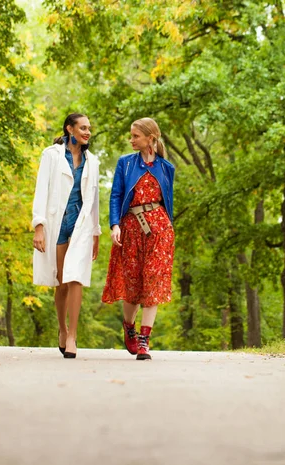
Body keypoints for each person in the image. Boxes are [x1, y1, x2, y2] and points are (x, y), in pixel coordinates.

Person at [102, 117, 175, 360]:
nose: (131, 140)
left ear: (150, 138)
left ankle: (144, 340)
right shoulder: (125, 164)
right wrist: (115, 225)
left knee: (152, 281)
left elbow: (168, 202)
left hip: (159, 231)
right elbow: (116, 195)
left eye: (135, 136)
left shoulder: (166, 168)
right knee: (132, 284)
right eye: (131, 135)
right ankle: (129, 327)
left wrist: (169, 228)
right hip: (131, 228)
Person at [32, 113, 101, 359]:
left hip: (81, 223)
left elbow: (94, 200)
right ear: (69, 129)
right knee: (62, 281)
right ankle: (62, 329)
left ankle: (73, 335)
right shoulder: (51, 155)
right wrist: (38, 225)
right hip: (57, 221)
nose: (87, 132)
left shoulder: (92, 161)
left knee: (76, 278)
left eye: (89, 128)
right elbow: (41, 190)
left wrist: (96, 232)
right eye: (83, 128)